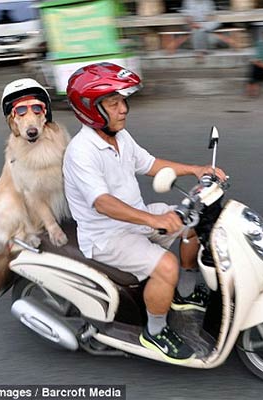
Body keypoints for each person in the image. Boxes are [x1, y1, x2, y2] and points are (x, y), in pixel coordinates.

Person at [63, 62, 226, 362]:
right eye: (114, 103)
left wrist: (196, 169)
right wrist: (154, 219)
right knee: (166, 265)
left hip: (134, 221)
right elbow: (102, 202)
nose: (124, 109)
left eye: (123, 101)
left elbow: (151, 165)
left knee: (192, 219)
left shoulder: (120, 137)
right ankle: (154, 331)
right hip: (106, 236)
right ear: (91, 109)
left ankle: (185, 293)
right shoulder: (81, 152)